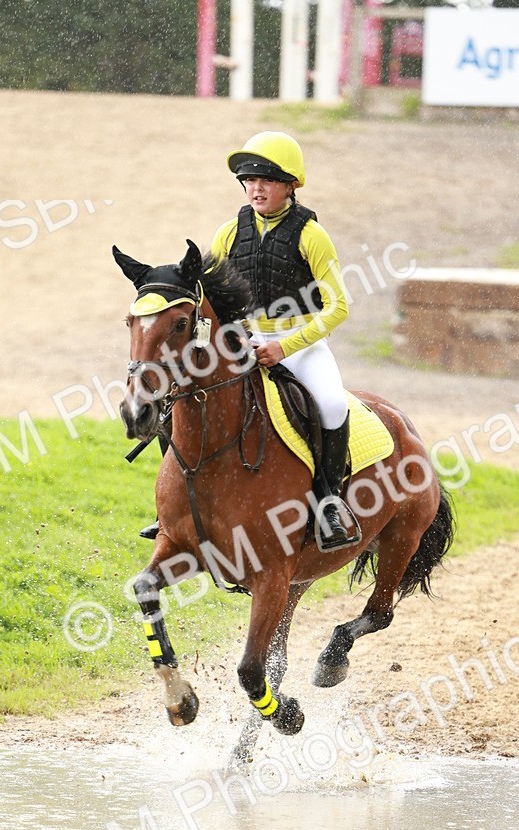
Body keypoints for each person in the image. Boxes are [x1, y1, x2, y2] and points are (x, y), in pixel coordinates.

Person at [139, 131, 359, 553]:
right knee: (176, 403)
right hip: (240, 342)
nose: (256, 188)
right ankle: (172, 507)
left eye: (267, 180)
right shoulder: (227, 233)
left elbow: (338, 307)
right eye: (249, 180)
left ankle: (328, 500)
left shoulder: (312, 235)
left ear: (292, 184)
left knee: (331, 404)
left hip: (300, 343)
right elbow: (208, 299)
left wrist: (284, 347)